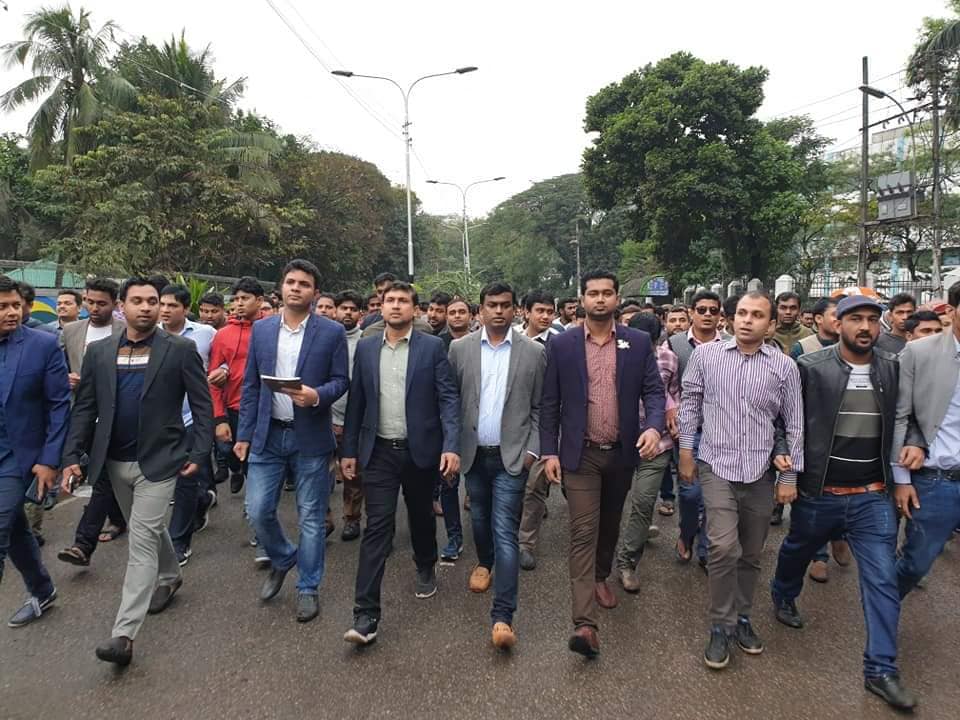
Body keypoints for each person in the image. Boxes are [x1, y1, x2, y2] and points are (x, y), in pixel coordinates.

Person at [770, 294, 915, 712]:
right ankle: (783, 593)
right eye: (855, 319)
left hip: (873, 495)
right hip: (821, 492)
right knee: (797, 550)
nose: (865, 327)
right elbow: (783, 420)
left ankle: (881, 669)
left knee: (882, 579)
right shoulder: (810, 368)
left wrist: (915, 446)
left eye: (872, 319)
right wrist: (786, 468)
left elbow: (910, 418)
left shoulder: (893, 367)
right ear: (838, 323)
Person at [60, 277, 213, 666]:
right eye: (137, 300)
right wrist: (72, 455)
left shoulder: (180, 350)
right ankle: (171, 576)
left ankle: (124, 634)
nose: (146, 307)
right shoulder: (99, 352)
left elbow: (202, 405)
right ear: (121, 307)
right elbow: (85, 408)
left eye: (153, 300)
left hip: (159, 462)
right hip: (113, 461)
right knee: (151, 529)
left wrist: (199, 450)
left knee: (141, 541)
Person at [540, 270, 665, 658]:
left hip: (622, 452)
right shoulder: (562, 345)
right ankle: (584, 624)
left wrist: (654, 427)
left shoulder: (636, 342)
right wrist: (549, 452)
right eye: (592, 293)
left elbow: (654, 392)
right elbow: (549, 403)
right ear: (581, 299)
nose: (599, 299)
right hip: (581, 454)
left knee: (610, 522)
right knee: (583, 530)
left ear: (616, 298)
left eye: (606, 293)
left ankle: (600, 575)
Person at [678, 291, 803, 671]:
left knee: (751, 553)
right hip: (715, 465)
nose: (748, 320)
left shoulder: (784, 367)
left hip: (761, 472)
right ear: (731, 319)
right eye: (742, 313)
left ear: (771, 324)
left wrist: (788, 476)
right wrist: (685, 451)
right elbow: (690, 404)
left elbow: (794, 423)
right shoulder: (706, 356)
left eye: (757, 315)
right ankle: (720, 625)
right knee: (722, 546)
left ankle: (742, 618)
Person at [341, 281, 460, 646]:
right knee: (377, 526)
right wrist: (349, 451)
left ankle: (425, 563)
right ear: (381, 307)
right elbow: (357, 402)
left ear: (415, 309)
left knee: (421, 515)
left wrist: (451, 446)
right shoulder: (366, 348)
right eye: (389, 300)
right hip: (378, 451)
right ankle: (365, 615)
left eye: (403, 301)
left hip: (420, 450)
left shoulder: (432, 347)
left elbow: (448, 398)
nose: (395, 306)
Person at [234, 260, 349, 623]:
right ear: (281, 287)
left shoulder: (331, 332)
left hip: (310, 435)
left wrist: (317, 396)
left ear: (315, 293)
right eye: (290, 282)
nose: (296, 288)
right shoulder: (263, 329)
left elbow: (341, 380)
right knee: (257, 510)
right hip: (267, 434)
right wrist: (244, 434)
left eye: (304, 284)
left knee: (311, 517)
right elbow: (251, 385)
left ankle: (308, 587)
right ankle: (284, 557)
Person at [447, 281, 545, 650]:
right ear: (481, 310)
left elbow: (540, 407)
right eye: (492, 304)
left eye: (505, 304)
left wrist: (532, 451)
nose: (499, 310)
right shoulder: (459, 349)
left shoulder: (533, 352)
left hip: (512, 457)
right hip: (473, 454)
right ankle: (484, 562)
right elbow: (450, 401)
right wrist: (451, 447)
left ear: (516, 309)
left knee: (505, 530)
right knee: (478, 518)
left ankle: (503, 616)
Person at [0, 276, 70, 628]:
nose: (12, 312)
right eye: (2, 307)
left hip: (17, 456)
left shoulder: (43, 345)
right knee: (13, 528)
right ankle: (42, 590)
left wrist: (49, 459)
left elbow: (59, 405)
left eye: (15, 305)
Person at [892, 281, 960, 602]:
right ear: (952, 310)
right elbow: (900, 414)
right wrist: (902, 479)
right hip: (937, 481)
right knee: (916, 564)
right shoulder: (920, 352)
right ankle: (884, 605)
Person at [57, 279, 129, 568]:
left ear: (115, 304)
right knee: (102, 475)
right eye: (90, 301)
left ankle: (82, 544)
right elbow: (59, 366)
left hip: (117, 415)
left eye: (102, 303)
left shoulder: (126, 331)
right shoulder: (71, 331)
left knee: (102, 477)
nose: (95, 308)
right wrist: (66, 380)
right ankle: (119, 518)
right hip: (84, 413)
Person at [784, 295, 850, 579]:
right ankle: (818, 555)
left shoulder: (860, 349)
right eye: (836, 314)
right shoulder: (804, 349)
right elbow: (792, 394)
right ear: (819, 318)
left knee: (846, 490)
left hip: (848, 435)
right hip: (813, 434)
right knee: (816, 496)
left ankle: (840, 535)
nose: (841, 320)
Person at [615, 313, 679, 592]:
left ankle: (627, 561)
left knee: (643, 502)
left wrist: (673, 409)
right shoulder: (614, 355)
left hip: (657, 444)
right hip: (618, 441)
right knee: (612, 503)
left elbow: (674, 392)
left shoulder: (669, 359)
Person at [669, 290, 728, 569]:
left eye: (713, 310)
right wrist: (671, 410)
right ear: (691, 312)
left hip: (721, 430)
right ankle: (686, 533)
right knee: (691, 494)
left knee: (714, 497)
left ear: (720, 315)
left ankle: (706, 550)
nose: (707, 315)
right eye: (701, 309)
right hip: (687, 430)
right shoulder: (674, 344)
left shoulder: (730, 345)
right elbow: (663, 383)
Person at [160, 284, 217, 565]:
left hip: (192, 417)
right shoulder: (148, 335)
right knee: (167, 480)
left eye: (172, 305)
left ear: (185, 309)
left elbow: (224, 359)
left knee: (185, 479)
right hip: (159, 422)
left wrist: (222, 370)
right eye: (162, 304)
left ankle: (179, 542)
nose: (165, 310)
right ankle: (202, 499)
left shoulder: (206, 334)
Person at [209, 277, 264, 496]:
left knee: (255, 461)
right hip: (232, 408)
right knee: (226, 450)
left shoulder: (270, 330)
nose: (239, 303)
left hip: (260, 407)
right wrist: (219, 418)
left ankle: (253, 506)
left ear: (259, 301)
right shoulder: (223, 335)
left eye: (245, 298)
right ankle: (236, 470)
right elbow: (212, 378)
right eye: (236, 299)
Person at [330, 290, 365, 542]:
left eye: (353, 309)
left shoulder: (367, 342)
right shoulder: (325, 338)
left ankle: (352, 519)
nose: (348, 313)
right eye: (344, 308)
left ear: (360, 314)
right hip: (324, 417)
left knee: (353, 474)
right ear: (335, 311)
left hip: (354, 420)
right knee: (319, 474)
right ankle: (322, 519)